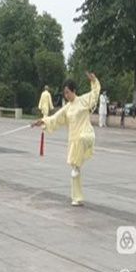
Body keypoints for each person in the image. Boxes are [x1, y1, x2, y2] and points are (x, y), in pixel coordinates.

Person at [33, 72, 100, 206]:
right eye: (65, 93)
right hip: (74, 141)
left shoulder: (83, 100)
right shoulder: (67, 108)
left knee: (82, 139)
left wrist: (94, 81)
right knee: (74, 172)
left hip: (87, 135)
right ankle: (77, 198)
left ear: (74, 91)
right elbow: (55, 118)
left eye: (68, 92)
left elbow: (95, 94)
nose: (66, 95)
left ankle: (77, 165)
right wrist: (43, 121)